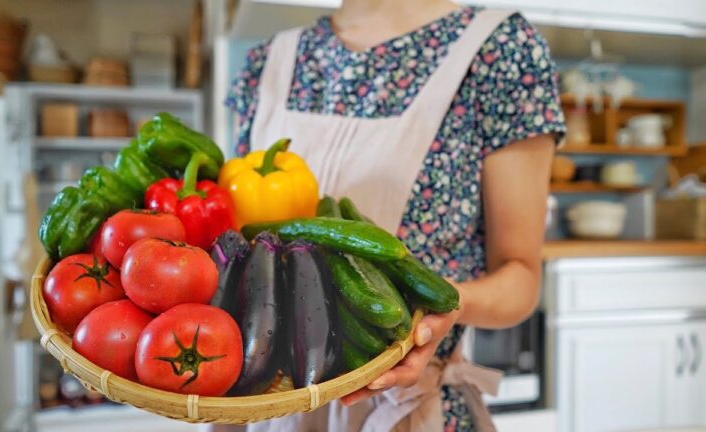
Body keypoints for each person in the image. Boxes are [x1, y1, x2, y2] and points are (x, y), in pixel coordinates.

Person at [222, 0, 565, 430]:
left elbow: (521, 277)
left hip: (404, 410)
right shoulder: (267, 61)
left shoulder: (501, 50)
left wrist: (443, 310)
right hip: (264, 407)